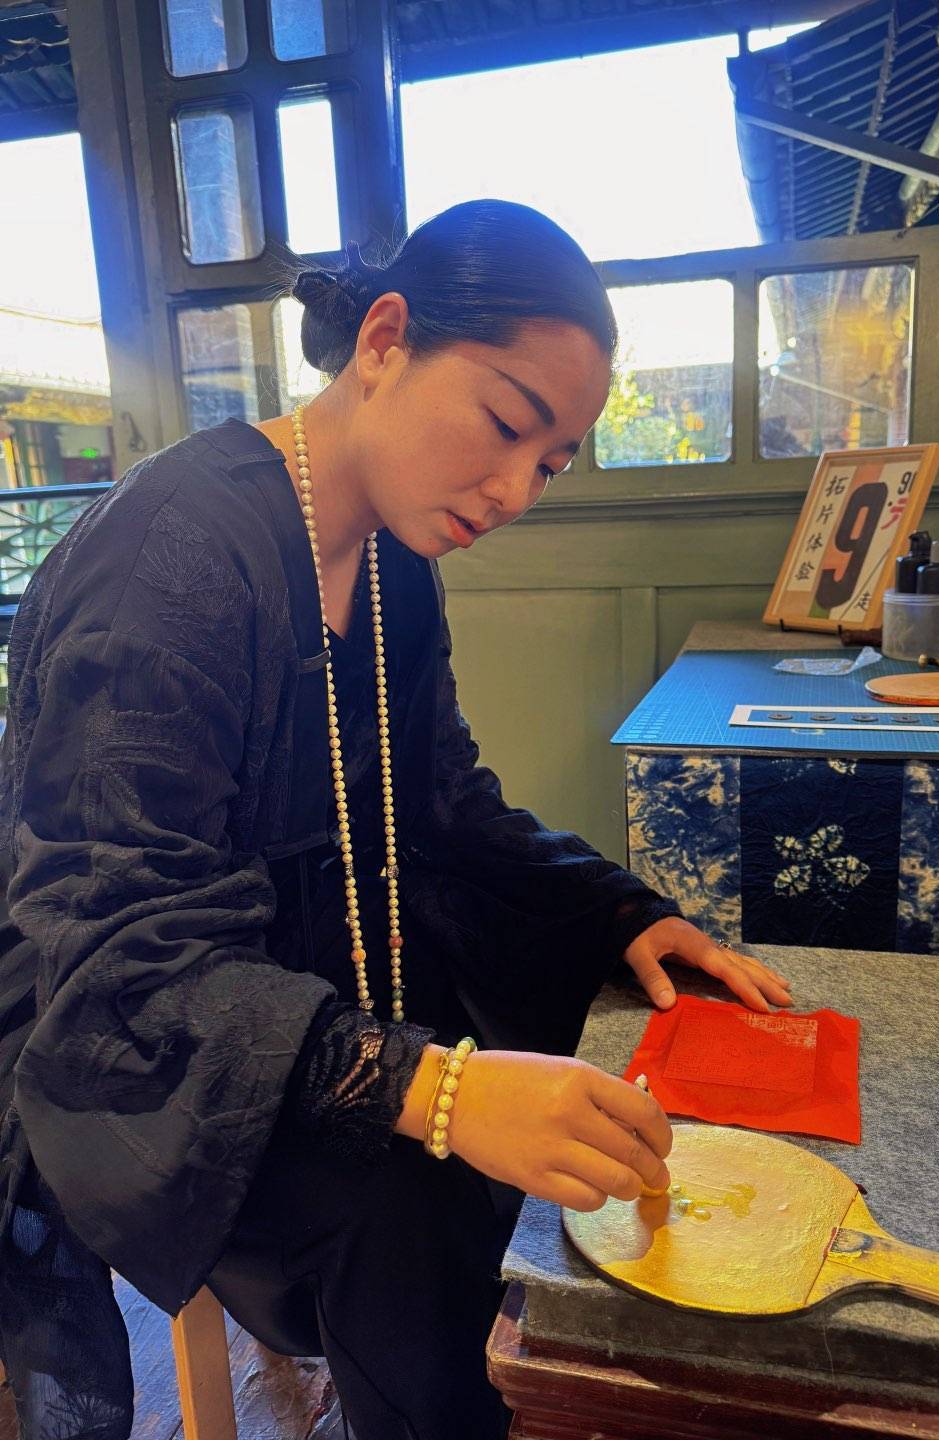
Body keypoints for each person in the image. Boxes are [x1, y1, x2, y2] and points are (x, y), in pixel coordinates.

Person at [0, 199, 791, 1440]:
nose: (515, 490)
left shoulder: (391, 560)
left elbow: (443, 800)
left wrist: (618, 912)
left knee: (605, 1039)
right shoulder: (168, 562)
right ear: (383, 340)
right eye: (507, 423)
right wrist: (439, 1091)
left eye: (551, 463)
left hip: (309, 990)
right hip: (140, 1047)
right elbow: (120, 947)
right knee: (418, 1205)